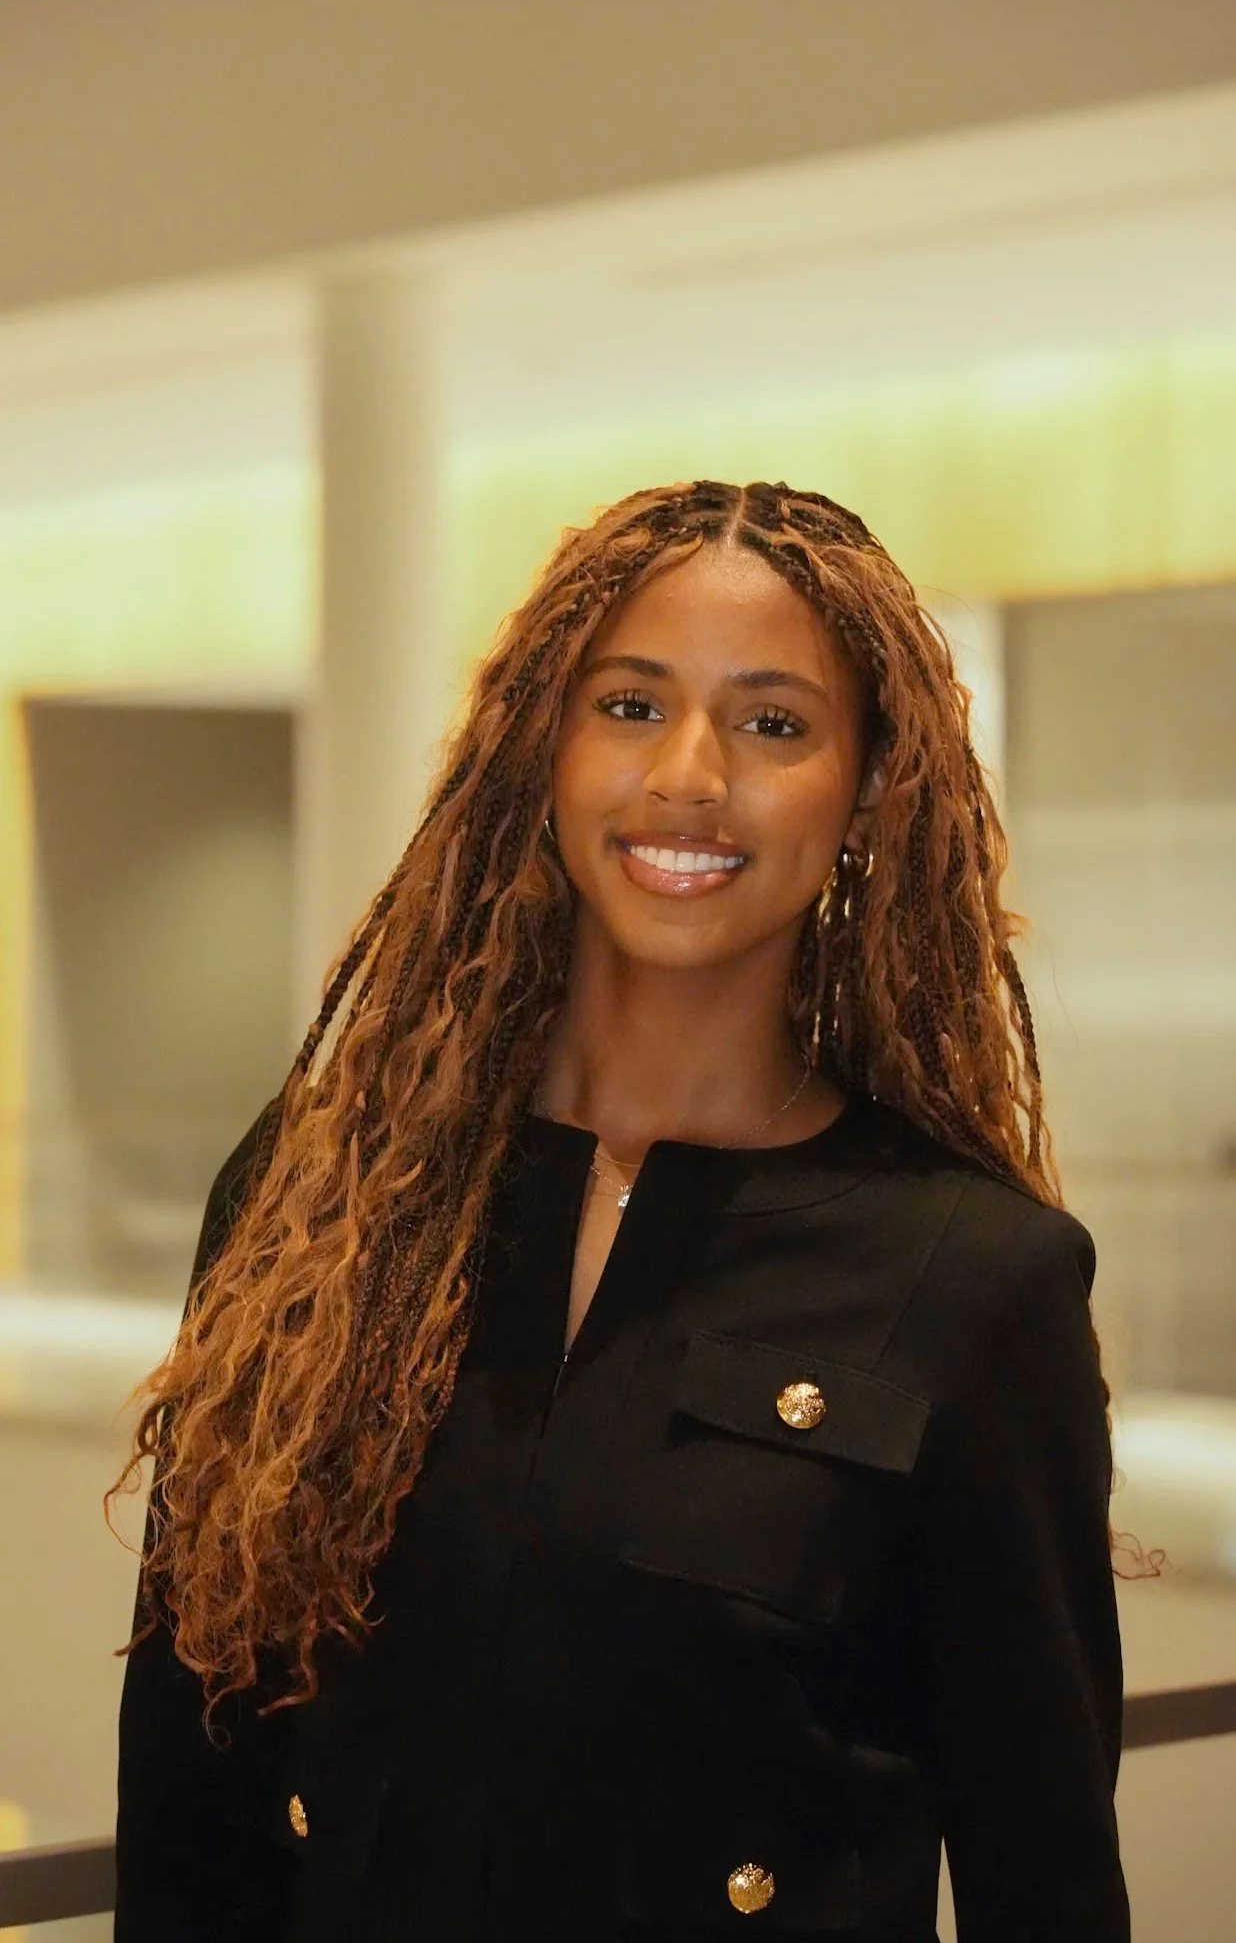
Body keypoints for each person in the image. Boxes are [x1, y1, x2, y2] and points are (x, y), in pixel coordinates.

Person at [110, 478, 1154, 1942]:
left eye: (775, 722)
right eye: (632, 705)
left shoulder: (971, 1277)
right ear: (542, 747)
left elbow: (1042, 1875)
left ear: (866, 793)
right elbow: (191, 1790)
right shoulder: (316, 1196)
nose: (692, 774)